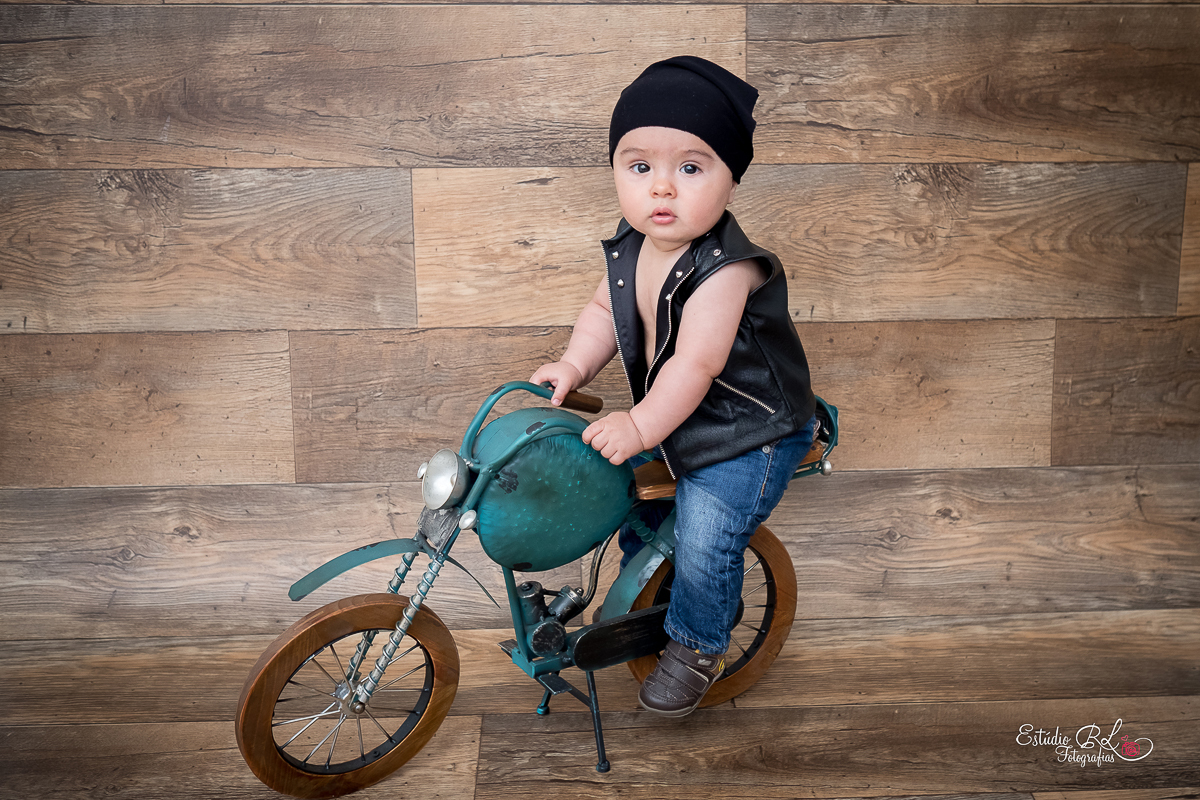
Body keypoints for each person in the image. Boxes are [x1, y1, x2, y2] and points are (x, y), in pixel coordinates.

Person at [530, 56, 816, 717]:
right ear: (615, 172)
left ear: (730, 181)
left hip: (751, 431)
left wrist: (638, 426)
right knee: (634, 502)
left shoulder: (728, 271)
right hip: (681, 418)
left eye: (690, 168)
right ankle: (656, 589)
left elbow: (695, 364)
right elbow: (603, 313)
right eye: (640, 167)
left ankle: (697, 645)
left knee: (706, 531)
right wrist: (574, 366)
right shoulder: (633, 248)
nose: (662, 187)